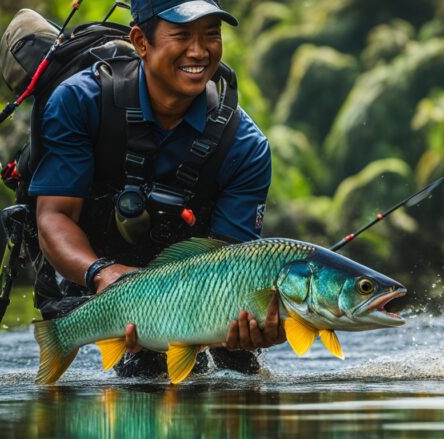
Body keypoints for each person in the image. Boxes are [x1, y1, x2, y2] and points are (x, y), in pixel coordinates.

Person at [27, 0, 284, 377]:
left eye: (211, 34)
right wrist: (101, 274)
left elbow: (234, 269)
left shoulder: (244, 147)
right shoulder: (81, 101)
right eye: (182, 35)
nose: (199, 51)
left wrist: (253, 325)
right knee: (132, 377)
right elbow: (54, 215)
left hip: (194, 297)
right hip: (86, 274)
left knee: (235, 376)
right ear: (140, 41)